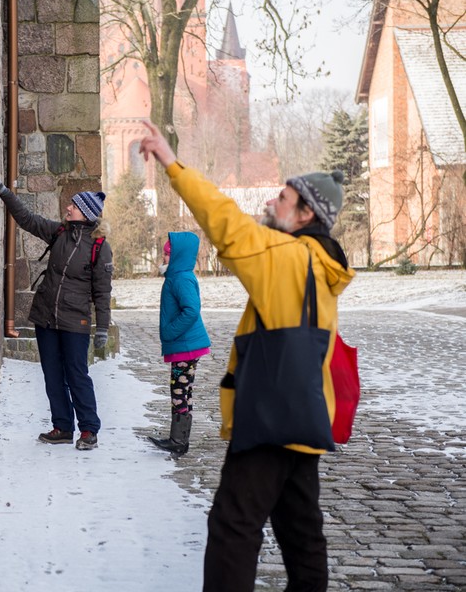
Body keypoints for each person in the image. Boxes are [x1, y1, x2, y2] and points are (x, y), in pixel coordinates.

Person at [138, 121, 355, 591]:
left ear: (304, 216)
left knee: (233, 527)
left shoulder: (287, 257)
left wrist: (173, 164)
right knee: (302, 536)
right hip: (303, 416)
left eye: (283, 198)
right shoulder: (320, 262)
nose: (272, 202)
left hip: (270, 416)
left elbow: (227, 225)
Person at [0, 177, 113, 451]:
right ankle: (63, 427)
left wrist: (102, 327)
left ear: (86, 214)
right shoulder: (59, 233)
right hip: (46, 317)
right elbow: (28, 220)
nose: (68, 208)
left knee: (77, 374)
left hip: (75, 321)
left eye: (74, 206)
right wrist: (6, 194)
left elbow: (103, 293)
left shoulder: (98, 247)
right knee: (52, 374)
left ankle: (89, 430)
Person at [148, 232, 211, 456]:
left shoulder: (181, 278)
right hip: (186, 345)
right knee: (183, 391)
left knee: (179, 391)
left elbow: (191, 310)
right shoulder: (177, 275)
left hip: (186, 345)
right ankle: (180, 440)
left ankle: (178, 440)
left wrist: (170, 331)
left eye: (167, 254)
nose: (163, 258)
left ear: (177, 256)